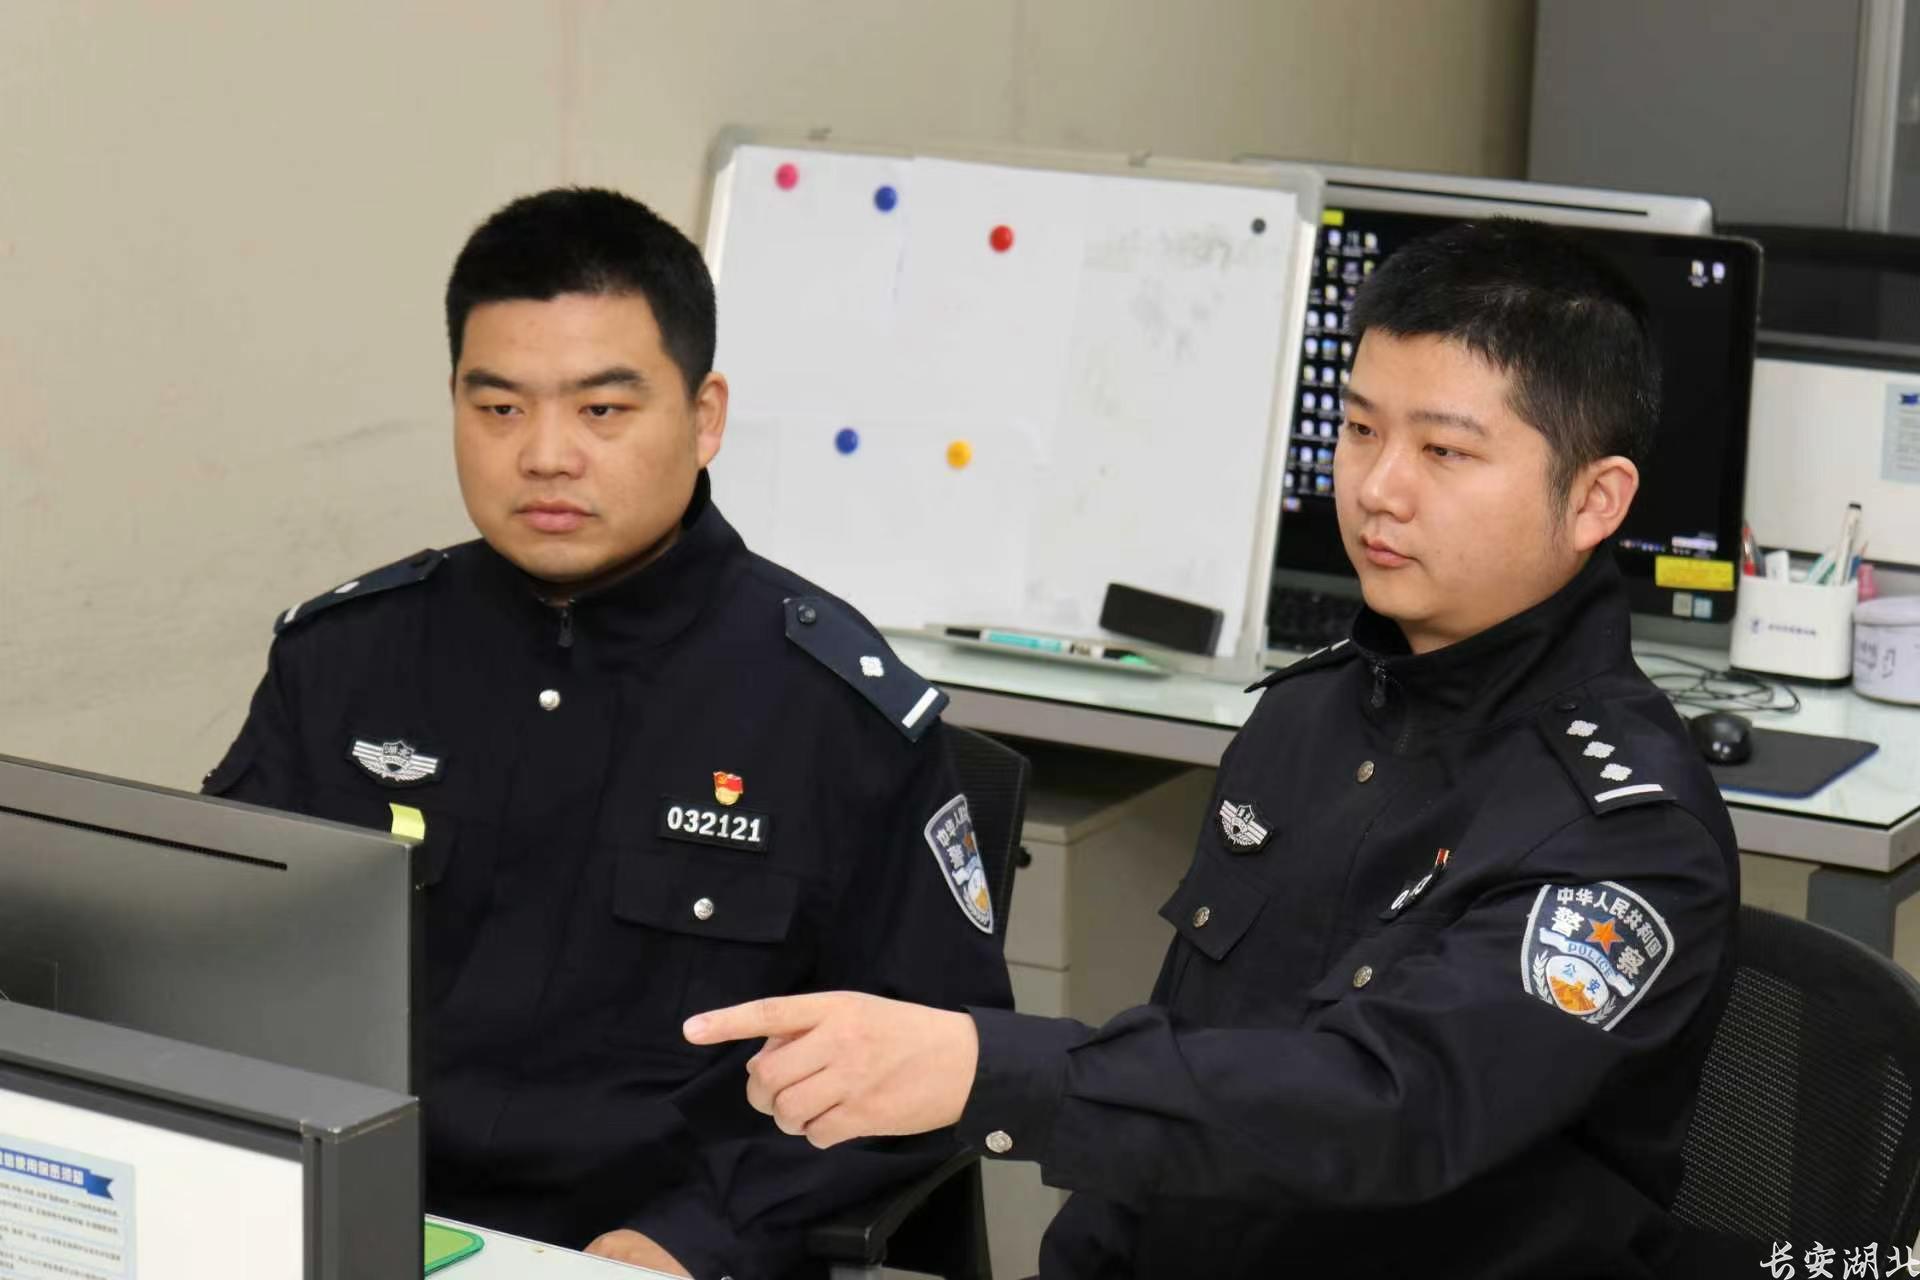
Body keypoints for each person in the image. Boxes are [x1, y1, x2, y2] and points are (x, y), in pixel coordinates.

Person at [686, 218, 1741, 1278]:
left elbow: (1385, 1110)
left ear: (1594, 500)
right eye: (1360, 429)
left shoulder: (1629, 833)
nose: (1378, 487)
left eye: (1445, 451)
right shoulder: (1312, 713)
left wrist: (983, 1068)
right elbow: (1187, 1063)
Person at [204, 186, 1012, 1278]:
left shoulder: (830, 709)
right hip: (360, 1217)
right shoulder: (345, 659)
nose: (545, 455)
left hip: (660, 1243)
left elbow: (934, 1057)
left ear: (705, 416)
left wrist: (695, 1239)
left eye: (601, 410)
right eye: (499, 408)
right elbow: (218, 966)